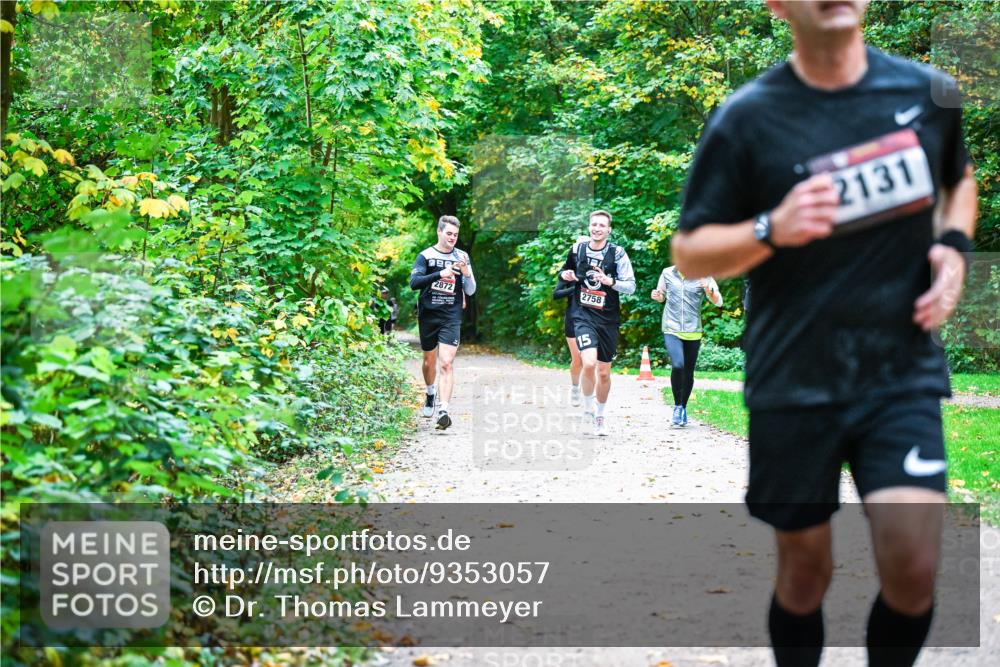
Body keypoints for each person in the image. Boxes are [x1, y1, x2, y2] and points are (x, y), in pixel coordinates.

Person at [671, 2, 977, 665]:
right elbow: (690, 252)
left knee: (914, 562)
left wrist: (953, 251)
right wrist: (769, 228)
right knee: (805, 572)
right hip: (793, 378)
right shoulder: (746, 118)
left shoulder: (929, 93)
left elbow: (959, 182)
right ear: (777, 6)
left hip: (899, 370)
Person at [559, 211, 636, 436]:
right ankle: (588, 411)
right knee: (589, 363)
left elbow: (631, 286)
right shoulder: (578, 249)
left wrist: (609, 281)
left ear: (608, 230)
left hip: (608, 319)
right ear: (589, 227)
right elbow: (564, 271)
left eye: (602, 225)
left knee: (603, 372)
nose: (597, 228)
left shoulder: (617, 253)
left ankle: (600, 415)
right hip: (583, 315)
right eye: (594, 224)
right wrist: (567, 275)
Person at [409, 215, 477, 430]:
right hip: (428, 315)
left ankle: (443, 411)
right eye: (449, 233)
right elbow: (414, 282)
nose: (452, 238)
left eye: (455, 235)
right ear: (439, 232)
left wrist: (466, 273)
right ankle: (430, 393)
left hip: (451, 316)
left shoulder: (462, 256)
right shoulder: (426, 256)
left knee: (446, 363)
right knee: (429, 362)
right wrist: (441, 273)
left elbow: (470, 290)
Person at [651, 267, 723, 427]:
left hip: (693, 331)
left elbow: (719, 302)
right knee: (678, 365)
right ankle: (677, 407)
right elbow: (661, 296)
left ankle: (683, 407)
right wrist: (657, 296)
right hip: (671, 328)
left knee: (688, 372)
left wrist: (708, 290)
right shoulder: (667, 273)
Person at [553, 236, 592, 407]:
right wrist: (575, 288)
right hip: (573, 317)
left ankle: (590, 395)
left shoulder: (595, 271)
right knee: (578, 359)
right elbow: (556, 294)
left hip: (593, 319)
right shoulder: (568, 272)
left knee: (590, 360)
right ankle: (575, 388)